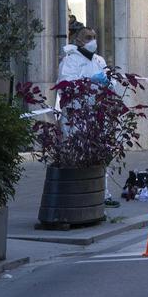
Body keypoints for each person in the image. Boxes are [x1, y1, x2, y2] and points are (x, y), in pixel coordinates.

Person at [57, 27, 119, 208]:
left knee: (100, 154)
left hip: (97, 113)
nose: (92, 40)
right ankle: (79, 194)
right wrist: (90, 81)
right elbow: (65, 87)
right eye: (88, 37)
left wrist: (108, 82)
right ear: (78, 40)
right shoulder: (70, 62)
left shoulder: (98, 60)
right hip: (76, 115)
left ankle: (102, 193)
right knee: (76, 154)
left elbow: (110, 80)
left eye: (94, 36)